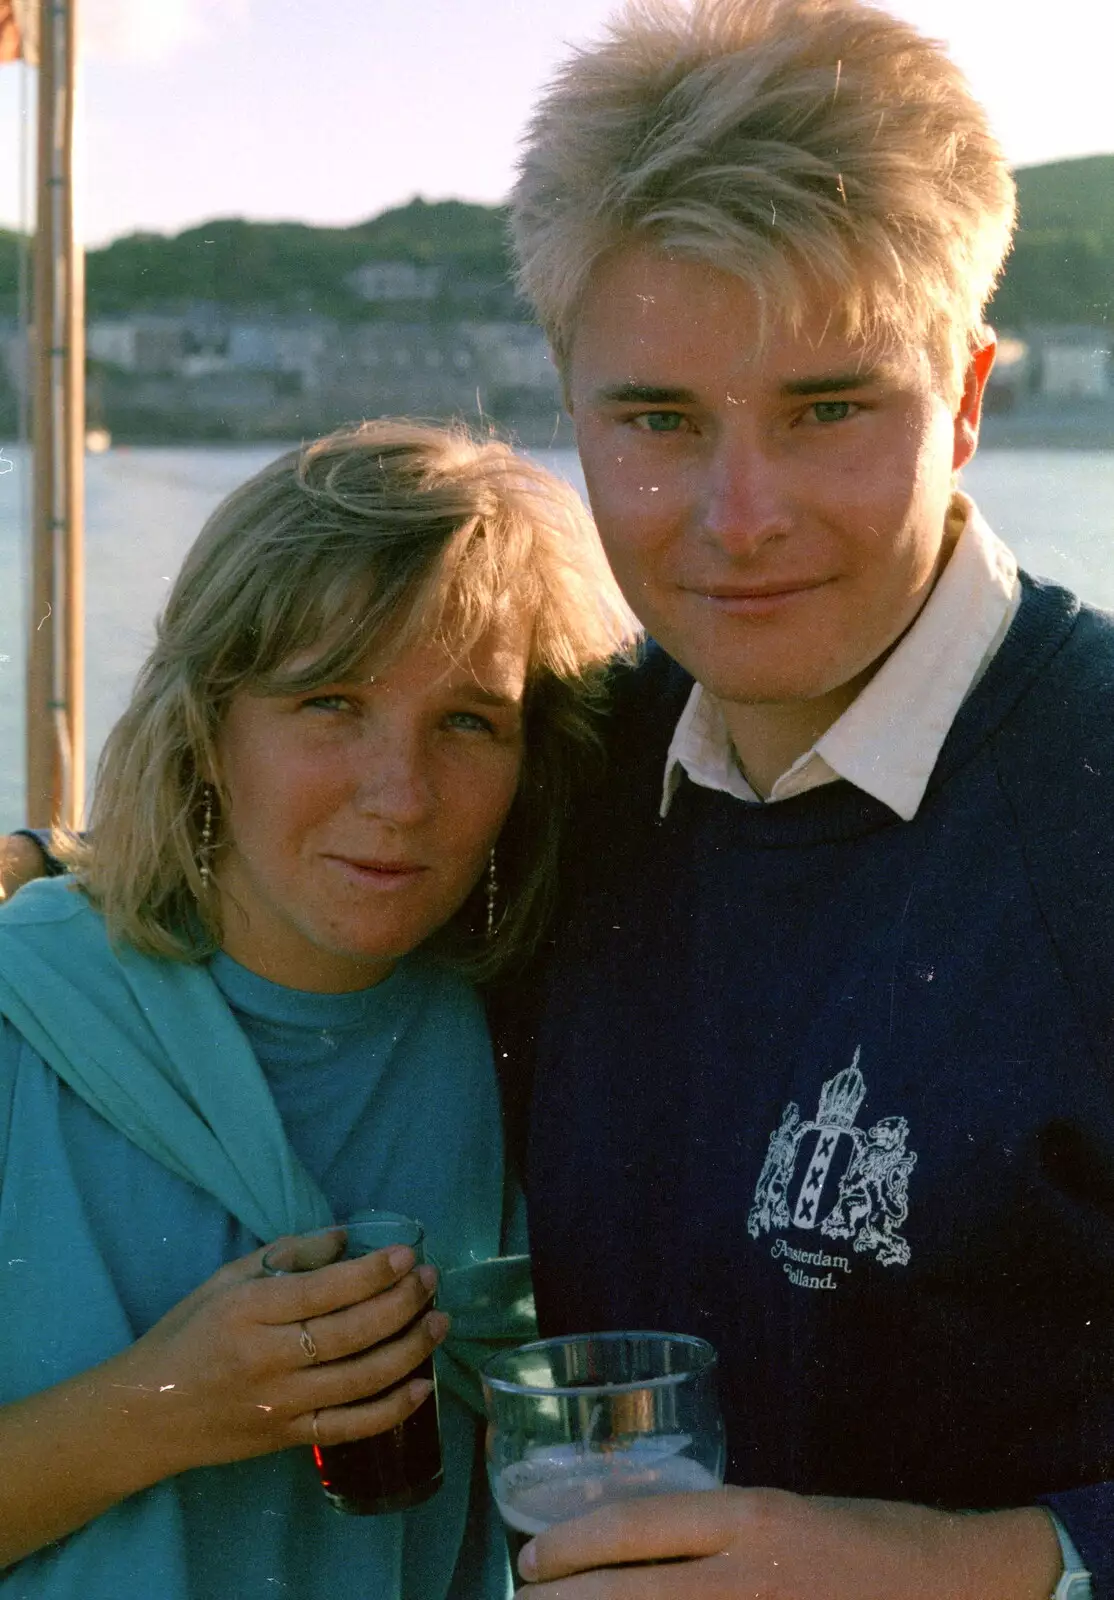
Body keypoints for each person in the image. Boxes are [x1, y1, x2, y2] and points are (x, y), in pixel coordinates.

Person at [502, 1, 1111, 1596]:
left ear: (968, 398)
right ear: (569, 408)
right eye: (656, 421)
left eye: (829, 409)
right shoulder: (555, 775)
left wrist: (955, 1567)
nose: (734, 518)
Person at [0, 418, 632, 1598]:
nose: (400, 796)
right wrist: (161, 1407)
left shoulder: (532, 1040)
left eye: (467, 722)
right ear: (206, 728)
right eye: (331, 703)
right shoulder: (21, 1017)